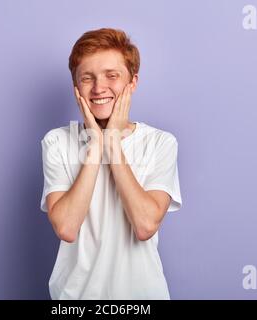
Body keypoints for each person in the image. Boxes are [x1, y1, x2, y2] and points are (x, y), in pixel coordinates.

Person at [40, 28, 182, 299]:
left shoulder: (161, 143)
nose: (98, 88)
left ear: (133, 82)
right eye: (87, 78)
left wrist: (113, 143)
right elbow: (67, 228)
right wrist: (96, 144)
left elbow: (144, 225)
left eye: (111, 76)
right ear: (76, 87)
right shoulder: (56, 142)